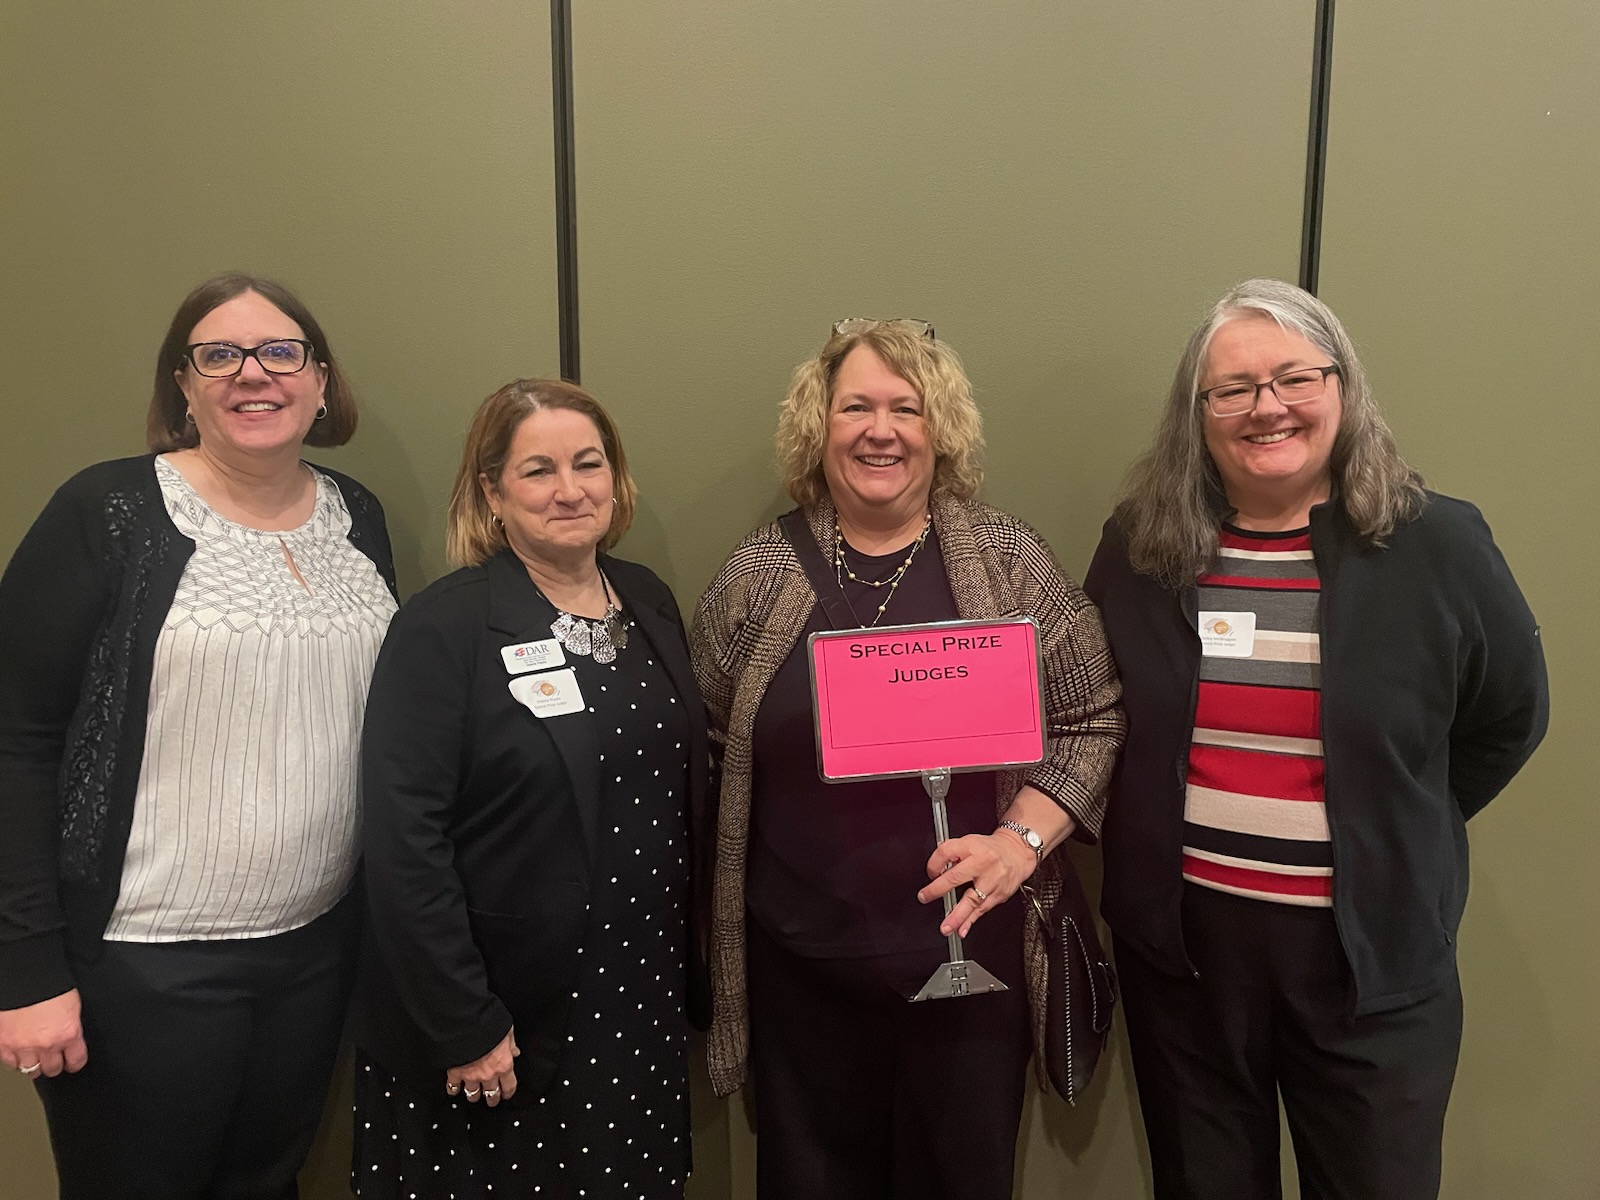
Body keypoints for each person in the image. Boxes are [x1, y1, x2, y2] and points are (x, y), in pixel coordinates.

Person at [1084, 278, 1549, 1200]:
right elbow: (1096, 712)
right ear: (1198, 413)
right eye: (1234, 389)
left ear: (1343, 389)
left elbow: (1508, 718)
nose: (1268, 408)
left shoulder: (1438, 545)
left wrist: (1391, 817)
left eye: (1296, 377)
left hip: (1367, 960)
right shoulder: (1141, 546)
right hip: (1186, 959)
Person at [689, 318, 1124, 1198]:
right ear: (821, 428)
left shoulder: (1009, 563)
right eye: (855, 407)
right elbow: (704, 740)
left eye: (905, 408)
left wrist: (1017, 846)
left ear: (941, 430)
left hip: (971, 971)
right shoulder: (757, 574)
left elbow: (1092, 719)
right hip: (800, 974)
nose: (879, 430)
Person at [0, 273, 398, 1198]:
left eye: (280, 352)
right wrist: (26, 971)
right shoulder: (110, 512)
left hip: (314, 948)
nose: (251, 373)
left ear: (320, 379)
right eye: (219, 354)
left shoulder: (357, 516)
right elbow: (15, 742)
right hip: (141, 968)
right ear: (183, 385)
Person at [352, 378, 710, 1200]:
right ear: (492, 492)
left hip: (639, 1003)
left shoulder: (650, 601)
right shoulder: (447, 627)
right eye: (538, 470)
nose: (570, 489)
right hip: (506, 1020)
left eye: (589, 464)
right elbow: (406, 843)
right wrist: (462, 1019)